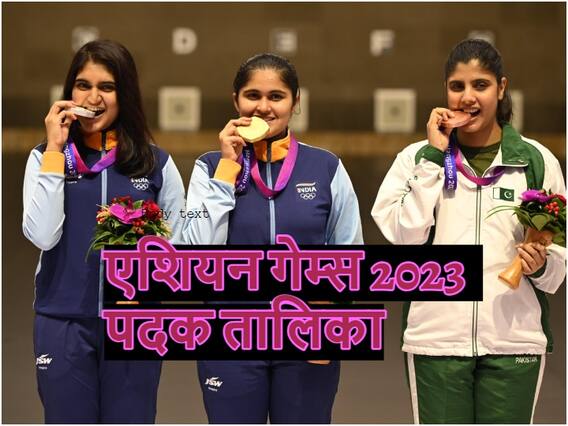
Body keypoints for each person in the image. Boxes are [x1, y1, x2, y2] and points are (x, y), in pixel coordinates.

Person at [371, 38, 566, 424]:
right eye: (457, 86)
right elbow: (405, 238)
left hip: (514, 342)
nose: (467, 97)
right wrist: (433, 157)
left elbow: (559, 264)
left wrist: (541, 265)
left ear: (502, 88)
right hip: (436, 341)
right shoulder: (415, 158)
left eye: (481, 85)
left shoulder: (536, 161)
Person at [184, 53, 363, 423]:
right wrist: (227, 169)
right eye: (253, 95)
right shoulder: (208, 167)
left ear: (295, 102)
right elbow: (196, 251)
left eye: (276, 96)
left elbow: (349, 252)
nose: (263, 107)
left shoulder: (326, 167)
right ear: (236, 100)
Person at [22, 39, 185, 423]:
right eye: (83, 85)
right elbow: (42, 235)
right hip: (63, 321)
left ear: (124, 94)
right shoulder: (45, 157)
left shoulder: (155, 163)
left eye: (106, 87)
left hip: (134, 326)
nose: (93, 97)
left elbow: (178, 240)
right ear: (70, 92)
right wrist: (54, 151)